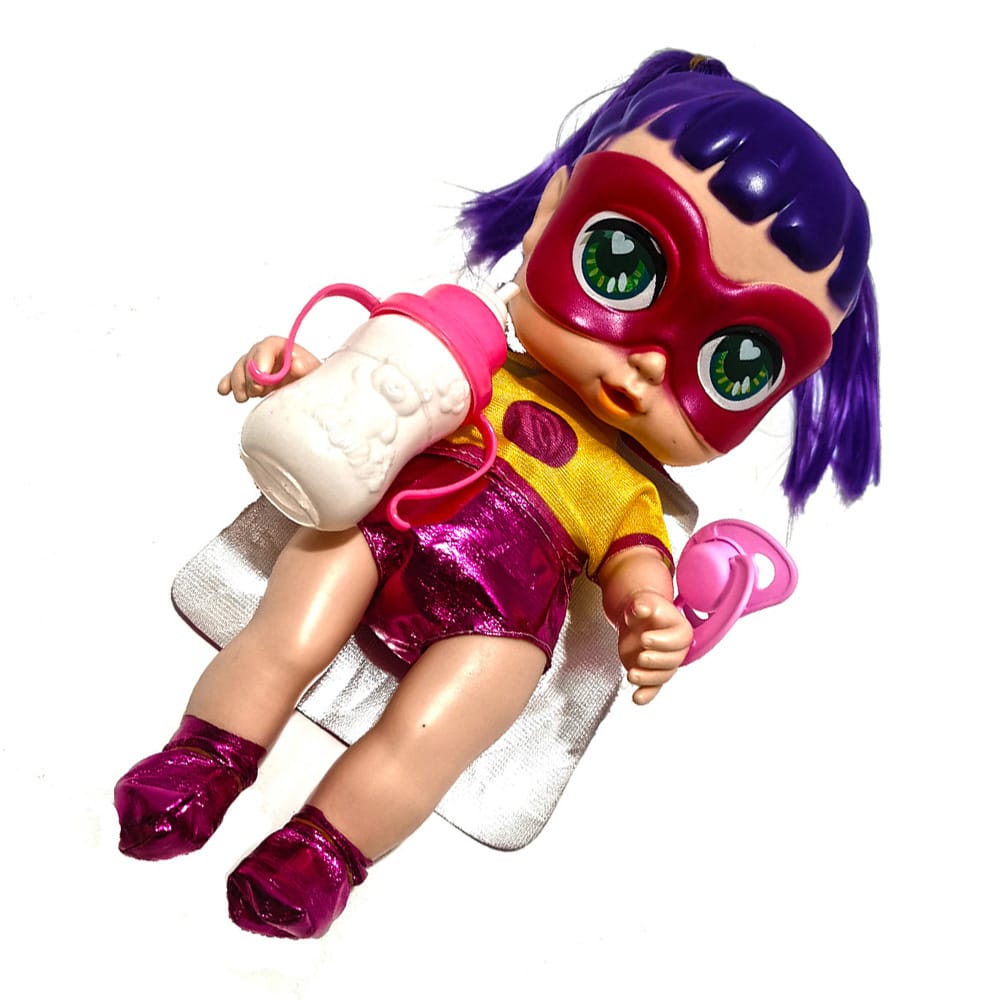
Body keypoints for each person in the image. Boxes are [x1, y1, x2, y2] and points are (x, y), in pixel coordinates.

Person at [114, 48, 880, 939]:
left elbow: (638, 567)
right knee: (288, 630)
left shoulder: (631, 490)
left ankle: (323, 854)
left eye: (737, 361)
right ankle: (204, 758)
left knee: (432, 737)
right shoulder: (470, 356)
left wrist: (652, 615)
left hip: (504, 623)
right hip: (386, 523)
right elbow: (379, 395)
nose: (646, 365)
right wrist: (303, 377)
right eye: (621, 261)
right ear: (554, 213)